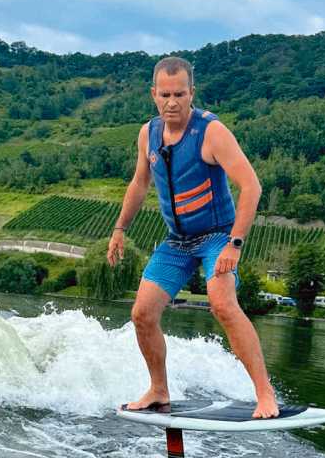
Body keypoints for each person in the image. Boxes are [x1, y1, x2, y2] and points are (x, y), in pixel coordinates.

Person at [106, 56, 278, 419]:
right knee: (142, 313)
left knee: (222, 303)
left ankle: (265, 394)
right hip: (176, 241)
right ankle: (158, 388)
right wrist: (120, 228)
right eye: (165, 94)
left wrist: (235, 243)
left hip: (217, 236)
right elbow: (139, 183)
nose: (172, 102)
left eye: (180, 94)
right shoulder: (147, 133)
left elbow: (251, 186)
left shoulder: (211, 131)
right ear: (153, 94)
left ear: (191, 93)